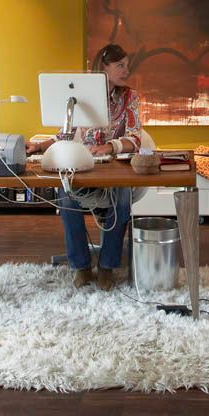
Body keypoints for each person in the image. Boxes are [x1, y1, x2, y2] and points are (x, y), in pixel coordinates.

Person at [26, 44, 143, 290]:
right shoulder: (79, 95)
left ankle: (107, 267)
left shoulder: (130, 97)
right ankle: (81, 266)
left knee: (122, 200)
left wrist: (109, 147)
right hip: (84, 165)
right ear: (104, 68)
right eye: (120, 65)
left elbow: (135, 138)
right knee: (66, 197)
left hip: (114, 167)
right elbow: (64, 135)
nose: (126, 70)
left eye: (127, 65)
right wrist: (38, 146)